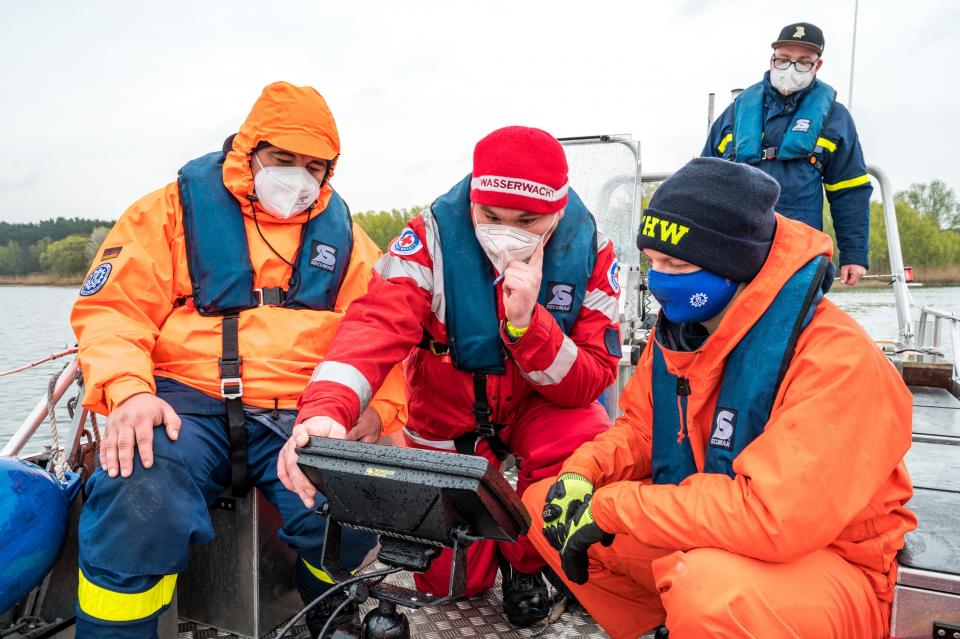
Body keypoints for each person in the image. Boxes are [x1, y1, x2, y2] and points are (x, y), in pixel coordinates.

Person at [70, 81, 407, 639]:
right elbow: (112, 311)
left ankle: (329, 608)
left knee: (354, 504)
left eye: (314, 166)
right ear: (248, 151)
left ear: (330, 171)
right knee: (136, 496)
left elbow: (384, 337)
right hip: (185, 402)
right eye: (281, 159)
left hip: (306, 411)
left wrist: (379, 413)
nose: (298, 176)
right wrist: (128, 391)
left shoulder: (349, 241)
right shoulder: (168, 213)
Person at [525, 157, 915, 639]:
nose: (659, 280)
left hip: (833, 565)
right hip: (712, 536)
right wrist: (585, 472)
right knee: (546, 507)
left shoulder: (837, 360)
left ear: (734, 264)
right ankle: (663, 628)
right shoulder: (680, 333)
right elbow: (643, 429)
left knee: (708, 590)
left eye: (677, 265)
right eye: (652, 263)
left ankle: (708, 622)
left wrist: (614, 506)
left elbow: (771, 519)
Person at [279, 126, 622, 627]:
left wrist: (529, 327)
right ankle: (481, 559)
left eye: (527, 220)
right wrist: (328, 409)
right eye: (491, 216)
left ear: (559, 210)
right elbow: (374, 326)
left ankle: (527, 565)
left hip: (539, 405)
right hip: (447, 413)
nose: (506, 231)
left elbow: (588, 380)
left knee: (584, 439)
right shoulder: (429, 240)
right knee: (454, 586)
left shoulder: (593, 253)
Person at [703, 22, 873, 286]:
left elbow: (849, 190)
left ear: (817, 66)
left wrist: (854, 254)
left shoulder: (836, 119)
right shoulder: (735, 112)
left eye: (803, 62)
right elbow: (705, 182)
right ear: (772, 59)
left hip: (798, 252)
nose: (791, 68)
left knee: (795, 322)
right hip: (734, 248)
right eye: (783, 59)